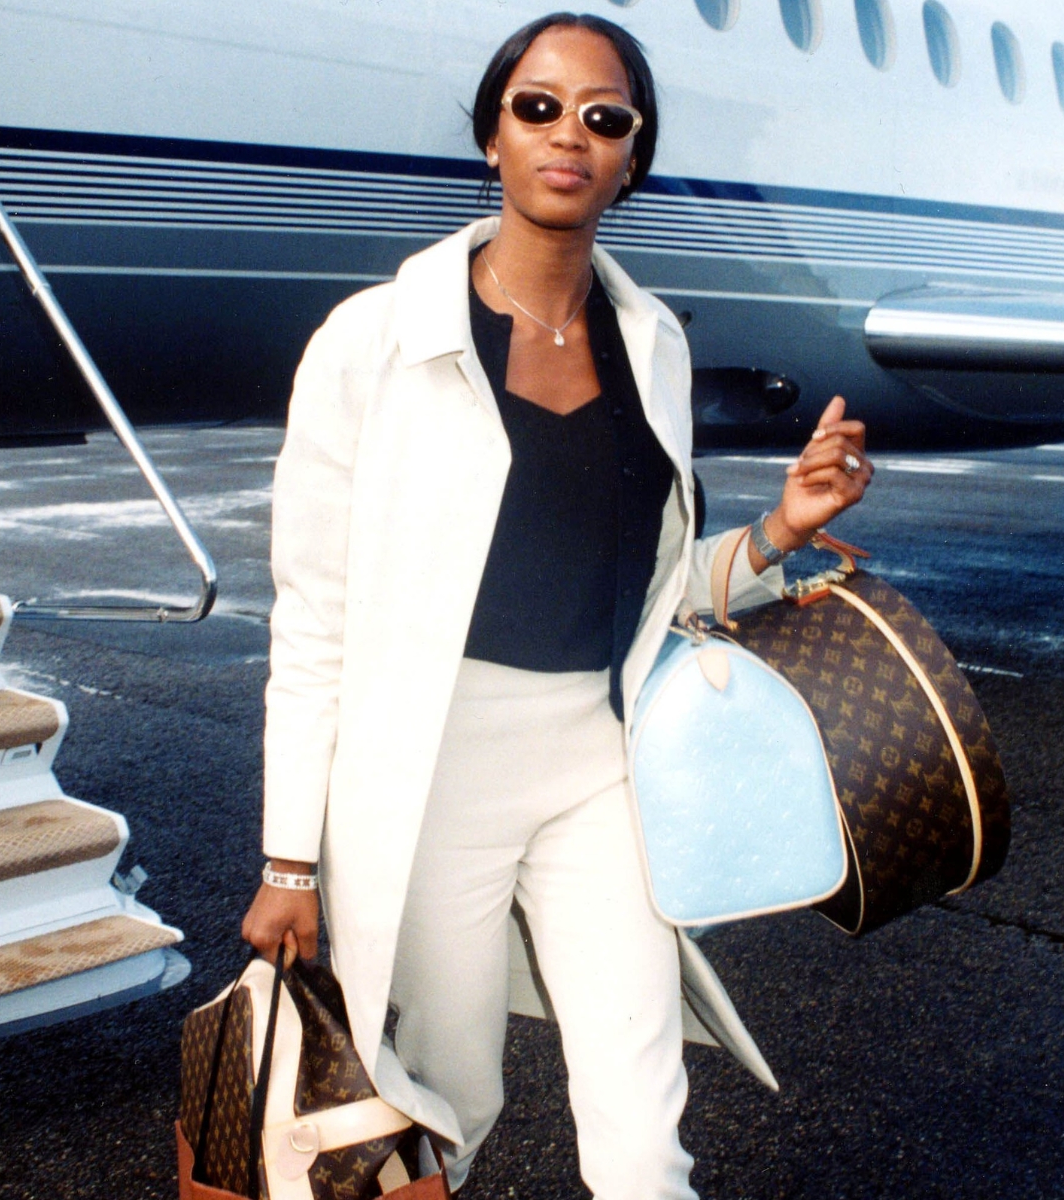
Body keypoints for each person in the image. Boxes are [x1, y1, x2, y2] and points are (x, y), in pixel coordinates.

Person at [242, 12, 873, 1198]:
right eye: (537, 108)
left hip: (597, 763)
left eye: (603, 117)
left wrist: (781, 532)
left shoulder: (652, 342)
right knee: (449, 1101)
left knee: (642, 1125)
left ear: (632, 156)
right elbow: (314, 618)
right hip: (435, 780)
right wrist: (291, 861)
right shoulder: (372, 343)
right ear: (493, 136)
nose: (567, 134)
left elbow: (649, 590)